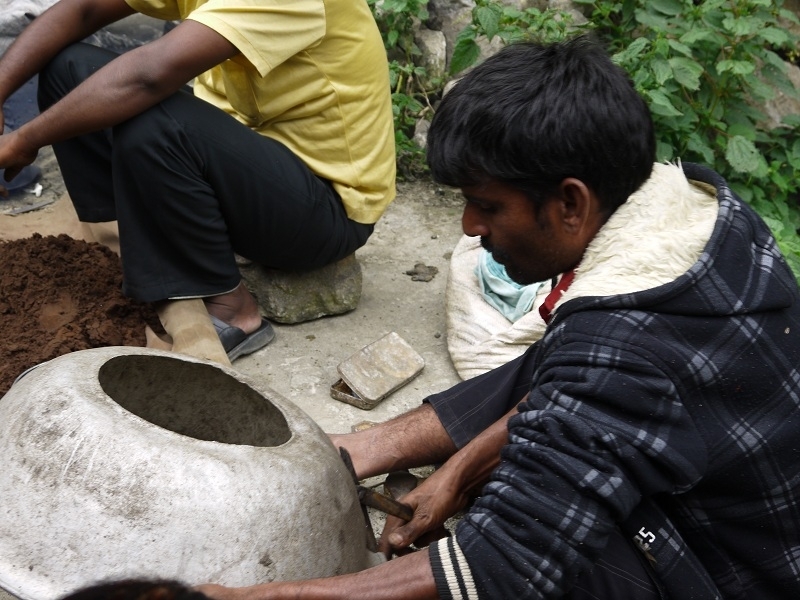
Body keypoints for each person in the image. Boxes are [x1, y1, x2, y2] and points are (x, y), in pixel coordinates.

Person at [0, 0, 395, 360]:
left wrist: (23, 140)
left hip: (323, 209)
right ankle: (124, 243)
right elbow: (81, 11)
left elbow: (147, 78)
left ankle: (233, 308)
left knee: (150, 120)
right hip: (248, 162)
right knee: (65, 67)